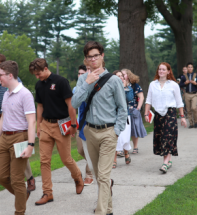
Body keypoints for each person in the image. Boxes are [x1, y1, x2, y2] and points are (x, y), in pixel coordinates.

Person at [72, 41, 127, 215]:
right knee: (99, 176)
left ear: (102, 56)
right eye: (89, 57)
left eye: (96, 55)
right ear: (86, 59)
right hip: (89, 132)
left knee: (103, 176)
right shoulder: (83, 79)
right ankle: (108, 209)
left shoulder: (113, 80)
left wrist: (116, 131)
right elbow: (74, 103)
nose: (93, 59)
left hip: (108, 132)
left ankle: (100, 211)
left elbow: (122, 108)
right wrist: (87, 82)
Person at [0, 54, 35, 203]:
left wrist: (30, 144)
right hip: (1, 124)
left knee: (17, 170)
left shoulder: (21, 90)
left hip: (18, 130)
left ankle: (27, 183)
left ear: (9, 74)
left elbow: (31, 121)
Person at [29, 58, 84, 206]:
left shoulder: (61, 82)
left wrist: (73, 124)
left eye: (38, 73)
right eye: (35, 74)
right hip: (46, 125)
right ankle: (48, 193)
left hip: (62, 125)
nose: (37, 76)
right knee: (44, 161)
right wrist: (38, 124)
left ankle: (78, 176)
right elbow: (39, 106)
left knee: (66, 159)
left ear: (46, 68)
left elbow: (70, 104)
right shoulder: (39, 85)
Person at [144, 62, 187, 174]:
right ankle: (169, 160)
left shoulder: (173, 85)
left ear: (168, 71)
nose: (161, 71)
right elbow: (148, 100)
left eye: (163, 69)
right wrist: (146, 113)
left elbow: (179, 102)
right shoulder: (152, 84)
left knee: (167, 137)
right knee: (160, 137)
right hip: (158, 114)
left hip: (170, 113)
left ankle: (165, 163)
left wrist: (182, 117)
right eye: (159, 69)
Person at [73, 64, 94, 186]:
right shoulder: (75, 89)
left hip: (91, 123)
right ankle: (96, 165)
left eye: (83, 73)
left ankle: (89, 174)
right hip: (79, 123)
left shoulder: (91, 85)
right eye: (79, 74)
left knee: (89, 150)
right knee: (81, 150)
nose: (80, 76)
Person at [121, 69, 147, 154]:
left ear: (128, 75)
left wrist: (138, 108)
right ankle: (123, 149)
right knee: (123, 130)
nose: (122, 76)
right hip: (122, 111)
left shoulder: (134, 85)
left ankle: (135, 147)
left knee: (134, 129)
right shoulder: (119, 85)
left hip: (133, 110)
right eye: (121, 74)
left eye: (123, 74)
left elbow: (141, 97)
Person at [112, 70, 132, 169]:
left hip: (125, 116)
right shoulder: (111, 88)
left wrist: (124, 87)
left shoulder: (128, 88)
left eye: (121, 76)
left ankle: (126, 152)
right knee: (116, 138)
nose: (120, 78)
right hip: (114, 116)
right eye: (118, 76)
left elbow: (129, 98)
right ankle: (114, 159)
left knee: (125, 138)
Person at [179, 62, 197, 128]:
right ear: (187, 68)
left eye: (191, 67)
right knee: (188, 110)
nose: (190, 68)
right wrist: (184, 83)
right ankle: (191, 123)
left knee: (194, 108)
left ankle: (195, 122)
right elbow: (180, 85)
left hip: (194, 94)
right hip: (187, 94)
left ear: (193, 68)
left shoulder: (196, 75)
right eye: (188, 67)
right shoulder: (184, 76)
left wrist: (196, 83)